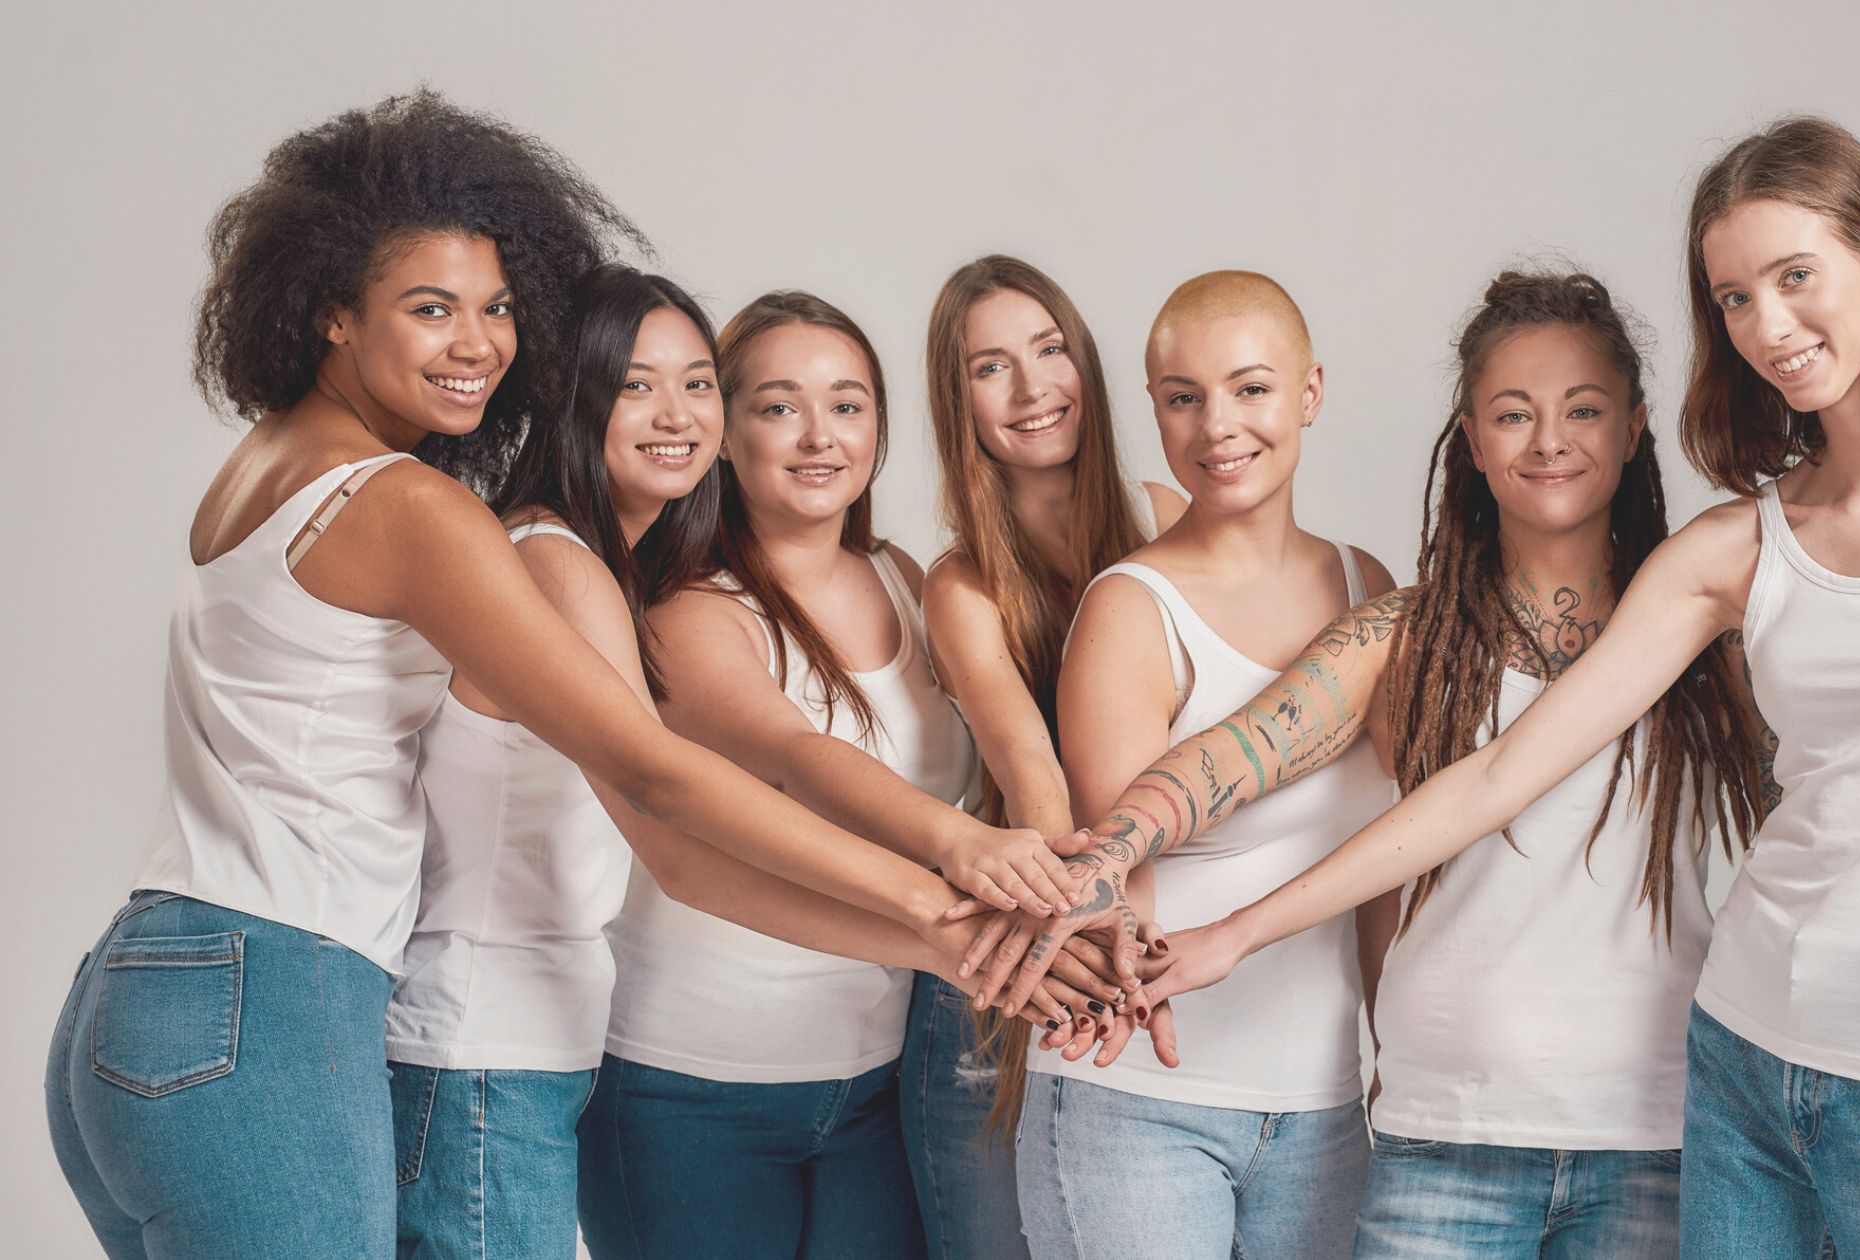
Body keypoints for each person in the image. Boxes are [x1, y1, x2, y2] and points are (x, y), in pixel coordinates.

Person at [1104, 118, 1860, 1259]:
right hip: (1741, 1068)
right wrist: (1231, 929)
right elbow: (1496, 775)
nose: (1766, 325)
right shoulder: (1735, 552)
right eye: (1732, 298)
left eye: (1792, 275)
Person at [42, 92, 1008, 1260]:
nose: (478, 344)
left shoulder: (269, 467)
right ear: (329, 314)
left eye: (498, 310)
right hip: (275, 990)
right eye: (431, 308)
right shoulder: (415, 508)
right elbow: (653, 779)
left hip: (153, 976)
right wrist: (937, 903)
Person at [991, 267, 1769, 1257]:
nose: (1548, 442)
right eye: (1511, 413)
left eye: (1581, 409)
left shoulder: (1707, 638)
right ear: (1471, 437)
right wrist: (1109, 853)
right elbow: (1237, 751)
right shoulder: (1404, 631)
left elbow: (1819, 807)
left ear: (1630, 425)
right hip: (1442, 1136)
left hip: (1652, 1134)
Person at [575, 290, 1087, 1259]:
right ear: (724, 434)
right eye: (777, 407)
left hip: (876, 1087)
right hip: (689, 1091)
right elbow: (801, 759)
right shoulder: (688, 612)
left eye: (848, 407)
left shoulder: (909, 576)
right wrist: (962, 853)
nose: (819, 438)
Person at [1001, 270, 1400, 1260]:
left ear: (1308, 393)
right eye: (1183, 398)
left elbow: (1383, 860)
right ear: (1154, 411)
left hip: (1319, 1108)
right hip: (1137, 1101)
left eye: (1250, 389)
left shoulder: (1368, 586)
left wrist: (1396, 1045)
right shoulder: (1130, 609)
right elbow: (1117, 862)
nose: (1216, 425)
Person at [909, 254, 1184, 1258]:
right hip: (1014, 959)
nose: (1031, 390)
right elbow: (1029, 769)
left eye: (1049, 350)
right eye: (990, 368)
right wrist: (1096, 915)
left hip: (1143, 950)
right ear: (958, 402)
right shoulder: (962, 583)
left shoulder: (1167, 516)